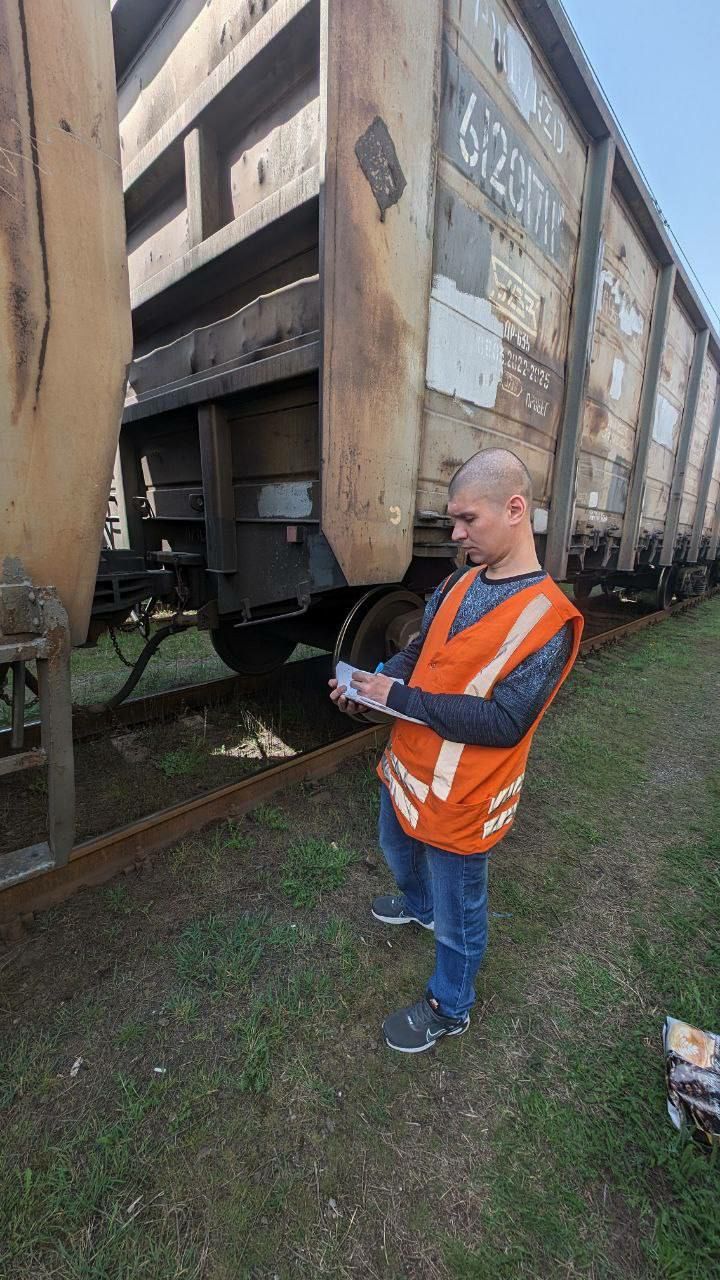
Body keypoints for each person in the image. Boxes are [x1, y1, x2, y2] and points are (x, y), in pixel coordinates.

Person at [329, 448, 583, 1053]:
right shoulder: (456, 582)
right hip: (411, 765)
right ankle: (416, 904)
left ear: (515, 509)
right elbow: (420, 657)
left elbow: (504, 722)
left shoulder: (550, 619)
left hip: (467, 793)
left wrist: (403, 700)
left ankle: (450, 1004)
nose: (456, 532)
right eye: (453, 520)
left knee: (461, 911)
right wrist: (373, 687)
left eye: (468, 519)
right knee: (395, 842)